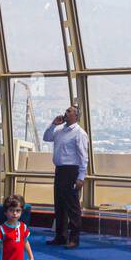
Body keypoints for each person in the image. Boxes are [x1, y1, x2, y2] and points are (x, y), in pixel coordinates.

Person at [43, 105, 88, 248]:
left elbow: (83, 157)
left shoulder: (79, 133)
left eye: (69, 111)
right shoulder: (59, 131)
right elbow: (46, 137)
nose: (66, 112)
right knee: (60, 204)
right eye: (66, 110)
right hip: (60, 170)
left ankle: (74, 238)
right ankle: (60, 236)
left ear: (76, 116)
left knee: (72, 206)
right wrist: (53, 124)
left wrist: (81, 176)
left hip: (71, 170)